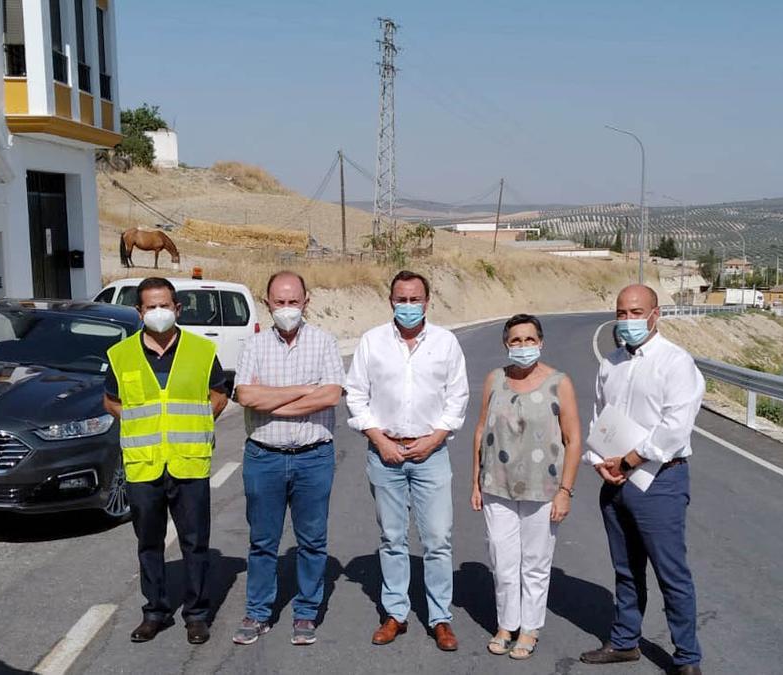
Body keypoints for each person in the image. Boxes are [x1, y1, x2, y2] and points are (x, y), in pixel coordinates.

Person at [579, 284, 705, 675]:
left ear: (655, 314)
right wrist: (599, 460)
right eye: (622, 312)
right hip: (615, 481)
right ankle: (624, 641)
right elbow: (600, 416)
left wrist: (631, 458)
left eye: (636, 312)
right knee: (625, 568)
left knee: (671, 574)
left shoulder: (675, 362)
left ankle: (687, 658)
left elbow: (676, 426)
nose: (628, 320)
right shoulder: (611, 362)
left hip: (659, 480)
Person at [345, 270, 469, 651]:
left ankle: (440, 617)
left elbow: (457, 397)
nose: (409, 306)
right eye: (402, 299)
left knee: (437, 539)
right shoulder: (372, 342)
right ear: (391, 302)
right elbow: (355, 395)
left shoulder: (446, 343)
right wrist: (379, 439)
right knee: (392, 538)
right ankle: (395, 612)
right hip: (386, 454)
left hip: (431, 454)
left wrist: (434, 439)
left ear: (427, 302)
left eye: (416, 299)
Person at [104, 277, 230, 645]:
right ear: (139, 312)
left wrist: (196, 425)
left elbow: (218, 395)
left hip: (189, 462)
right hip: (144, 465)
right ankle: (155, 611)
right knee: (148, 542)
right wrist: (140, 423)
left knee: (195, 542)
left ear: (177, 309)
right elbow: (111, 401)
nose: (158, 313)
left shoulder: (201, 351)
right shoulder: (121, 354)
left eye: (165, 306)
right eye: (150, 307)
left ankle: (196, 614)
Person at [231, 271, 345, 647]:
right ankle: (259, 612)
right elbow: (247, 396)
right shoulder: (255, 346)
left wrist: (273, 400)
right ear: (268, 303)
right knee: (263, 541)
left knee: (312, 540)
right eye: (279, 302)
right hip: (265, 456)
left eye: (293, 301)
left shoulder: (324, 342)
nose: (287, 309)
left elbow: (329, 396)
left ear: (306, 301)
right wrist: (300, 392)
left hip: (313, 457)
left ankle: (306, 612)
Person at [470, 314, 582, 661]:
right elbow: (480, 431)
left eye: (529, 339)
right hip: (496, 486)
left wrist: (565, 490)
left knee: (534, 563)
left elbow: (572, 438)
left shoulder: (558, 382)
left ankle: (530, 628)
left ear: (540, 341)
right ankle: (506, 625)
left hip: (543, 488)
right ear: (506, 344)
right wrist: (475, 480)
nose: (522, 346)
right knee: (502, 560)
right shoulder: (494, 379)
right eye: (515, 340)